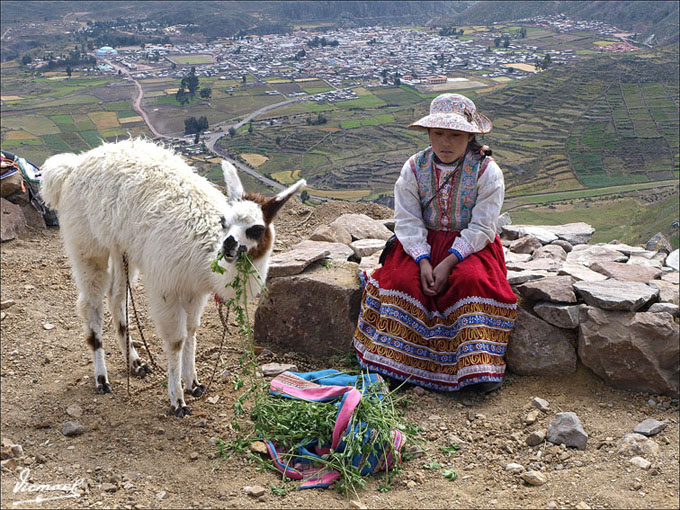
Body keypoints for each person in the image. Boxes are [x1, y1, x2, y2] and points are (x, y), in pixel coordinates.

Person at [353, 93, 517, 393]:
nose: (445, 142)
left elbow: (483, 226)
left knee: (471, 281)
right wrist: (423, 260)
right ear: (428, 133)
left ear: (470, 136)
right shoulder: (414, 168)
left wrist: (449, 261)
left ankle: (475, 371)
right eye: (438, 133)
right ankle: (394, 363)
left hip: (470, 247)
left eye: (455, 135)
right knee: (403, 281)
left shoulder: (487, 171)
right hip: (421, 244)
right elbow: (407, 221)